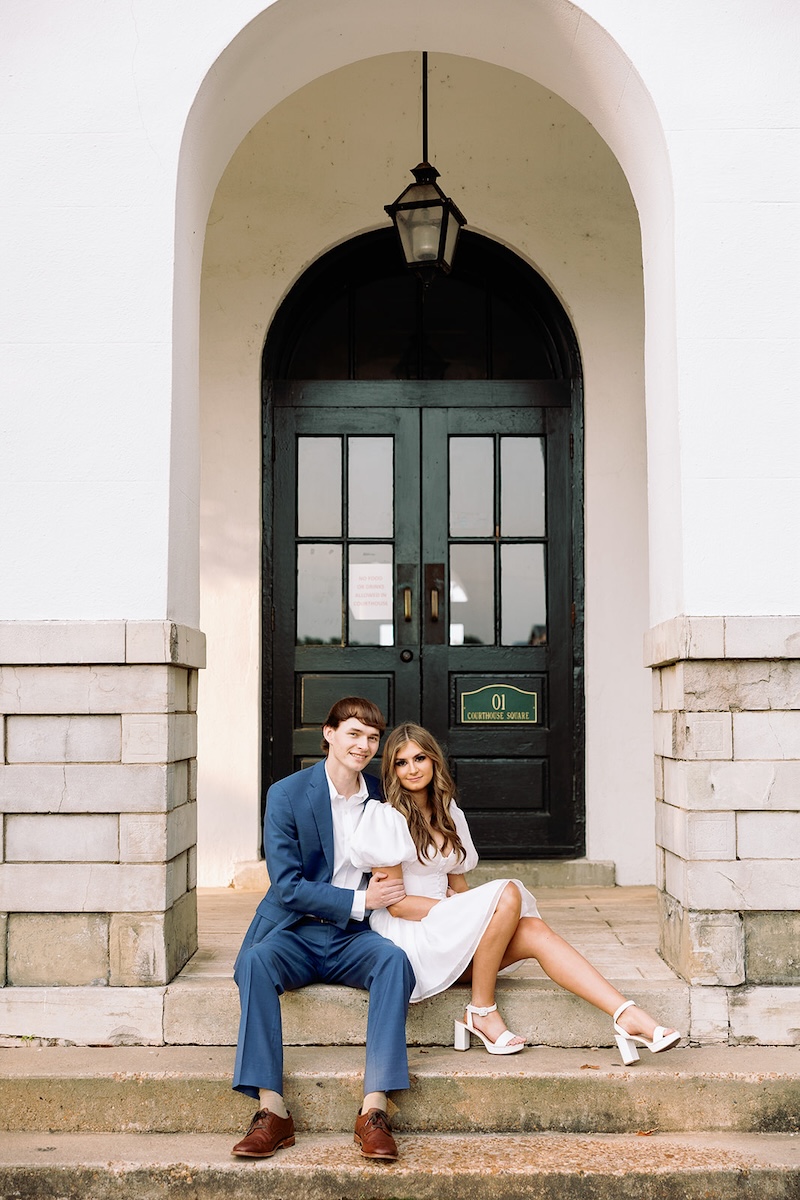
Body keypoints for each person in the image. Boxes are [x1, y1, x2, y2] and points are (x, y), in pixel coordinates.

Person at [350, 722, 681, 1063]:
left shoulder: (450, 814)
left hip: (444, 925)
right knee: (508, 892)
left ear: (434, 761)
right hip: (411, 939)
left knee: (533, 930)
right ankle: (481, 1009)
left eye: (419, 758)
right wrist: (462, 911)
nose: (412, 769)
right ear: (392, 770)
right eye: (401, 763)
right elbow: (397, 906)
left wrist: (466, 910)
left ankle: (626, 1014)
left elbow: (460, 887)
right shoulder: (386, 817)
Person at [230, 698, 415, 1163]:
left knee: (395, 960)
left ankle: (374, 1112)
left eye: (373, 738)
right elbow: (287, 886)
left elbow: (395, 864)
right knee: (254, 961)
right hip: (296, 930)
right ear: (329, 733)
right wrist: (360, 901)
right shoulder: (287, 794)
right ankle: (272, 1112)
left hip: (355, 937)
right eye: (354, 733)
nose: (364, 745)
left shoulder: (381, 795)